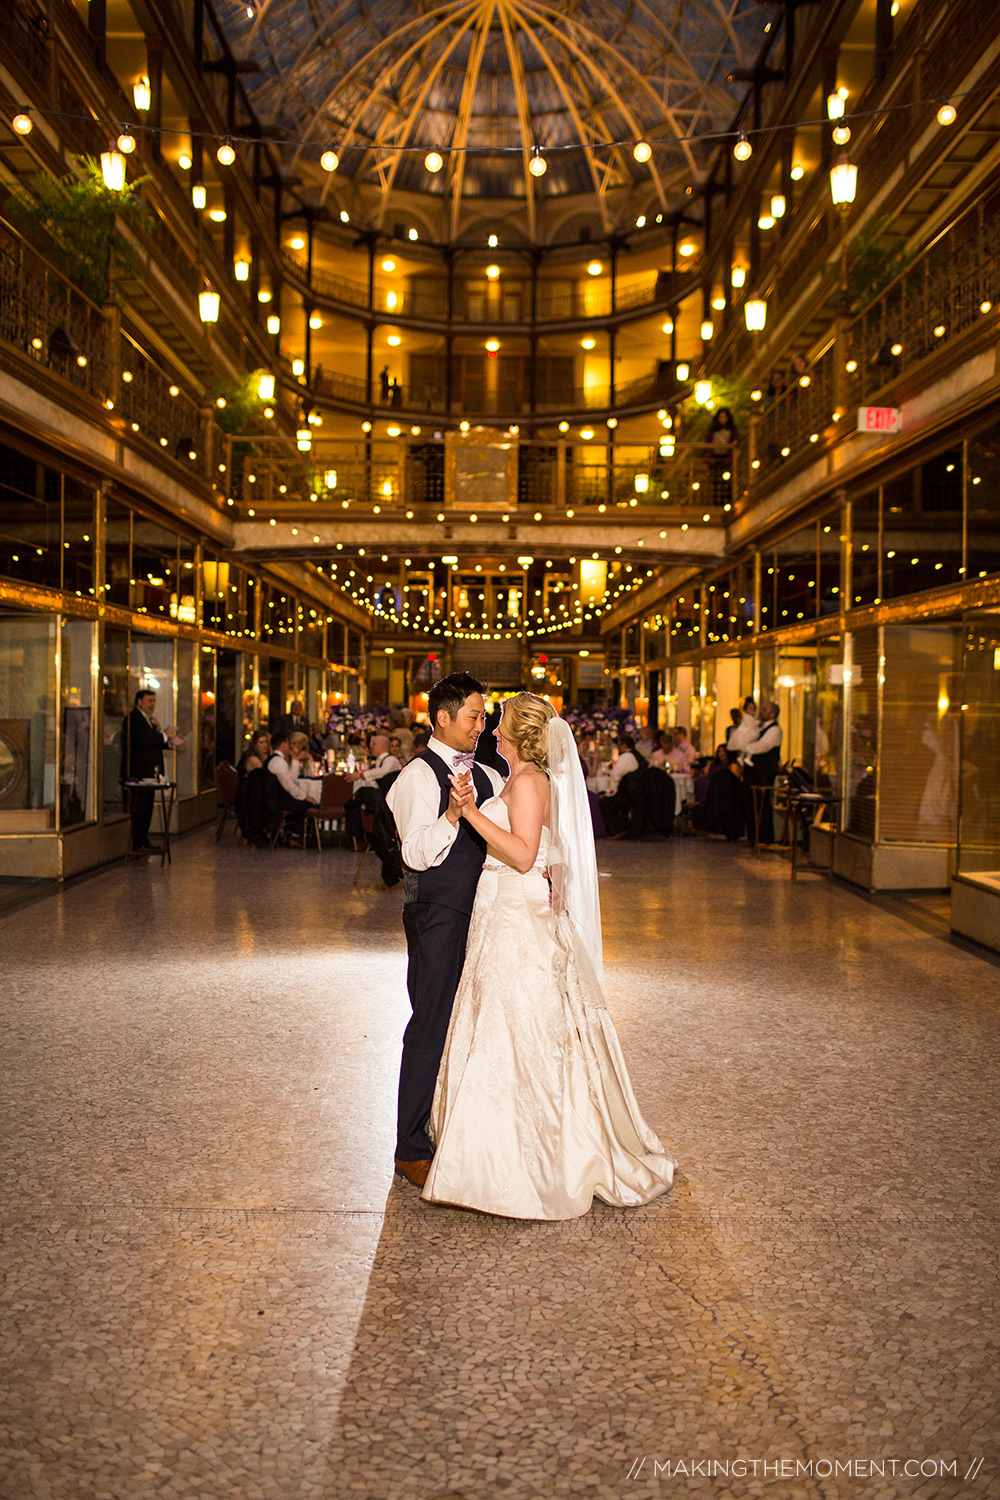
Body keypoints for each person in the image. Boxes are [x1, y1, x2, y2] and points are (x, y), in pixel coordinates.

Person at [422, 693, 674, 1219]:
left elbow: (522, 853)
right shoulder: (517, 779)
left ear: (516, 733)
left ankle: (524, 1160)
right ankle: (487, 1150)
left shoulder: (531, 781)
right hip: (501, 909)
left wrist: (469, 813)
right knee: (496, 1019)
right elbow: (542, 852)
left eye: (499, 724)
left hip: (516, 914)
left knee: (515, 1025)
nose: (491, 730)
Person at [385, 673, 505, 1187]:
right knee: (430, 1022)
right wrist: (453, 817)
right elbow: (413, 853)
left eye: (483, 717)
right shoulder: (418, 776)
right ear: (442, 718)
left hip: (477, 911)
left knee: (466, 1022)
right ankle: (409, 1147)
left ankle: (448, 1124)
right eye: (474, 716)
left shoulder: (483, 771)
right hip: (436, 913)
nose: (482, 725)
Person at [121, 689, 183, 853]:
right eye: (149, 701)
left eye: (154, 701)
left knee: (146, 807)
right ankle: (137, 841)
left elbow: (153, 741)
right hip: (138, 772)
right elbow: (142, 740)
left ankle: (143, 839)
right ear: (139, 702)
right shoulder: (133, 719)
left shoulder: (149, 720)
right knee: (139, 808)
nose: (152, 704)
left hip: (149, 773)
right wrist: (164, 735)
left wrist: (169, 741)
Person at [266, 726, 321, 841]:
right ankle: (295, 836)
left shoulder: (276, 760)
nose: (291, 746)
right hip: (277, 801)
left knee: (301, 801)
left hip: (277, 798)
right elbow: (289, 785)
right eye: (289, 743)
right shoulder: (279, 762)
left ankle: (291, 832)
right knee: (307, 804)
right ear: (284, 744)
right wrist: (305, 797)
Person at [740, 700, 783, 844]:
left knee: (762, 803)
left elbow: (763, 746)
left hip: (764, 772)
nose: (761, 712)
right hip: (753, 771)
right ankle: (753, 837)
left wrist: (747, 747)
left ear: (773, 713)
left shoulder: (775, 730)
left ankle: (764, 838)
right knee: (750, 802)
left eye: (765, 709)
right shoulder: (759, 726)